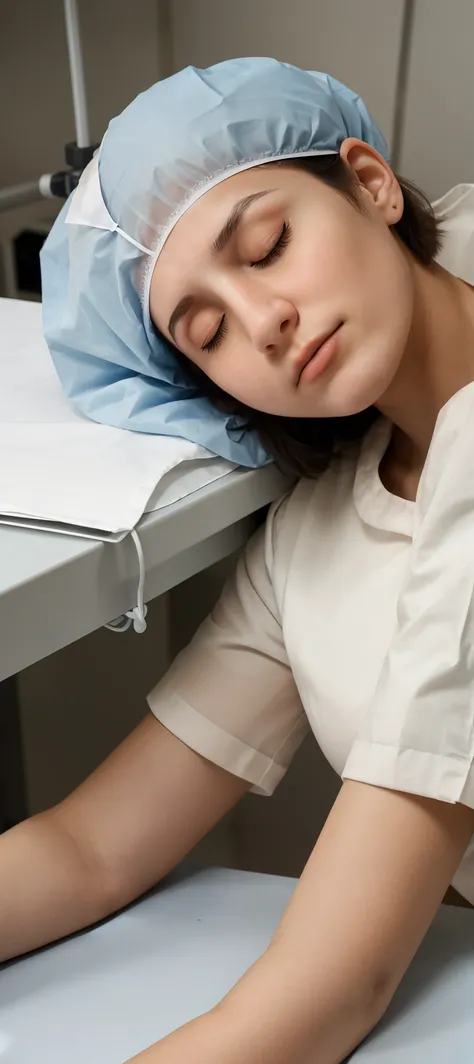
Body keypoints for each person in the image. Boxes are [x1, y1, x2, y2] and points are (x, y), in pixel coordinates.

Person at [5, 56, 474, 1063]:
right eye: (206, 331)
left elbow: (332, 988)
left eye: (267, 243)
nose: (265, 324)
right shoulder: (317, 530)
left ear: (371, 181)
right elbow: (94, 847)